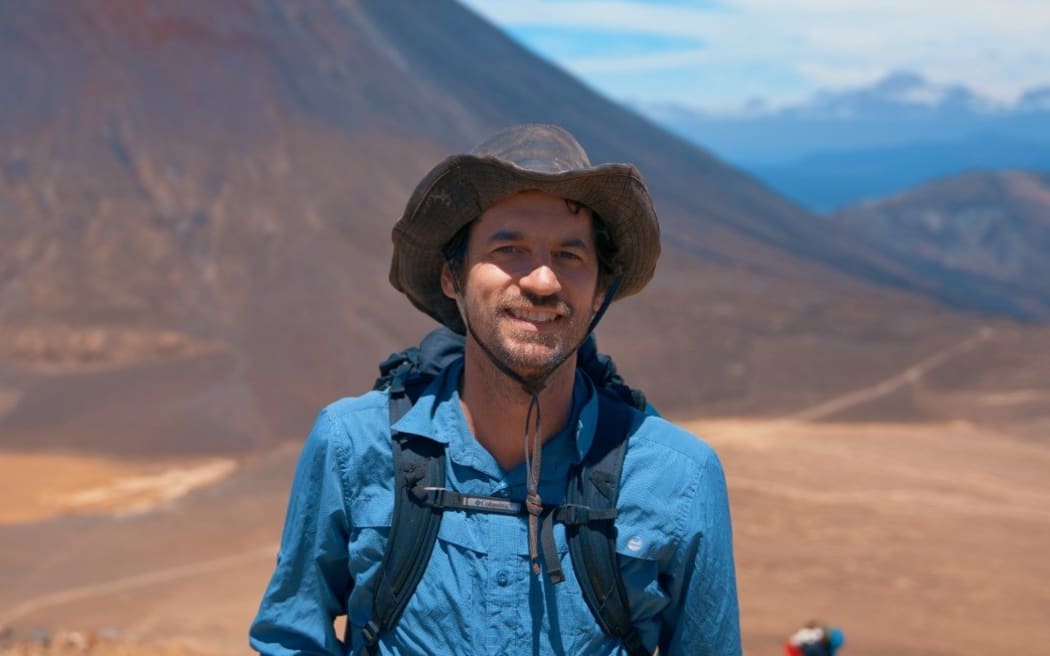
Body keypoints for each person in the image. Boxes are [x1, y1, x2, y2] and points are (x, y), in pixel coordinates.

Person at [249, 124, 741, 655]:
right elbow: (290, 641)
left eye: (570, 255)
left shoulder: (679, 477)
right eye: (510, 249)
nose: (543, 281)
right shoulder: (353, 446)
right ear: (452, 277)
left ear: (600, 290)